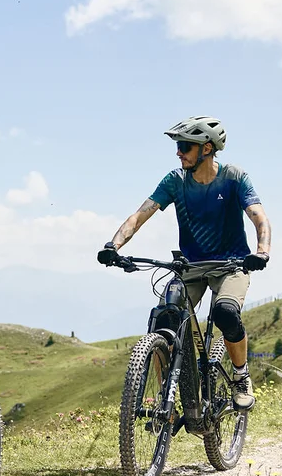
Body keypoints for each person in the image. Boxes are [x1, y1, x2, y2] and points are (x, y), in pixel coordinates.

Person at [97, 116, 271, 410]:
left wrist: (262, 250)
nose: (178, 153)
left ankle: (241, 376)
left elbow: (258, 216)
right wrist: (113, 245)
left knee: (226, 313)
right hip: (189, 267)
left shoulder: (234, 177)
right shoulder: (175, 181)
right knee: (164, 317)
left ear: (206, 148)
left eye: (184, 146)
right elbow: (140, 215)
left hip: (231, 265)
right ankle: (168, 392)